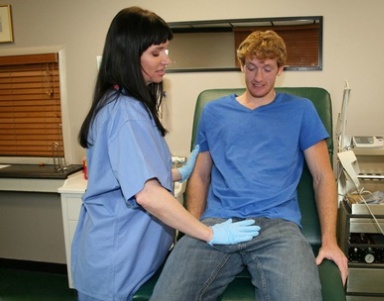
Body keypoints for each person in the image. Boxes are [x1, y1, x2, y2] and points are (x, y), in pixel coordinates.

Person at [72, 7, 260, 301]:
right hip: (117, 262)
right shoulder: (125, 113)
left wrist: (176, 173)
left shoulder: (127, 102)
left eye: (166, 50)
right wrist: (209, 233)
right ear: (131, 54)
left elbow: (125, 171)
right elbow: (146, 194)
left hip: (136, 258)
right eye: (156, 52)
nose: (166, 60)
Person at [151, 30, 348, 301]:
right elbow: (200, 175)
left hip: (278, 226)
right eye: (251, 67)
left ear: (281, 69)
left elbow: (323, 177)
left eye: (267, 68)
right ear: (241, 65)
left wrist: (329, 240)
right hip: (219, 223)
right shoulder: (214, 112)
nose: (258, 77)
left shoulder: (300, 110)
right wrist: (193, 229)